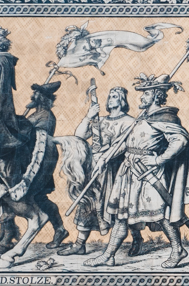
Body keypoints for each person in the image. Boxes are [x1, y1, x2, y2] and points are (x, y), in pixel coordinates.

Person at [86, 73, 189, 269]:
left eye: (145, 94)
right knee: (122, 217)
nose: (141, 98)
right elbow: (126, 144)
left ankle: (178, 249)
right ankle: (108, 255)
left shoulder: (165, 117)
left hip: (149, 175)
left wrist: (159, 159)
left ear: (155, 95)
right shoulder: (142, 117)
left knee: (161, 215)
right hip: (128, 172)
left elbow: (181, 140)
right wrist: (106, 158)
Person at [61, 85, 145, 257]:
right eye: (110, 95)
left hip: (118, 171)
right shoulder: (101, 121)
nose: (111, 98)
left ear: (122, 100)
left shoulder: (129, 122)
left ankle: (137, 239)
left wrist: (105, 157)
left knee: (123, 208)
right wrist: (88, 117)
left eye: (115, 96)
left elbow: (124, 145)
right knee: (88, 202)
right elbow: (78, 137)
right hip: (95, 170)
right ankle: (79, 244)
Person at [24, 80, 69, 250]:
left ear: (42, 98)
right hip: (29, 159)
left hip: (39, 160)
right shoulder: (35, 114)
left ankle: (59, 229)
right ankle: (60, 229)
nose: (32, 96)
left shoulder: (46, 116)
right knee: (39, 198)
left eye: (35, 94)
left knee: (36, 197)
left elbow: (37, 138)